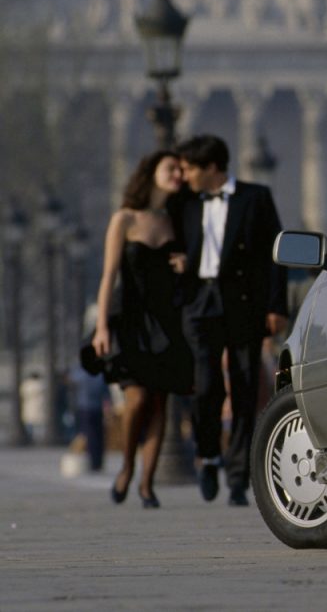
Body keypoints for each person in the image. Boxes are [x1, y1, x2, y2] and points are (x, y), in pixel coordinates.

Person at [175, 134, 287, 506]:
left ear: (211, 168)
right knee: (206, 386)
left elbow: (276, 254)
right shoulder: (184, 204)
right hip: (200, 301)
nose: (183, 175)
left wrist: (276, 306)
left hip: (242, 303)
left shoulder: (255, 198)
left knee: (243, 387)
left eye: (189, 168)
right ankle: (208, 455)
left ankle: (238, 477)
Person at [92, 149, 194, 509]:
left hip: (166, 321)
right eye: (171, 169)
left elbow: (192, 267)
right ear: (150, 172)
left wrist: (185, 263)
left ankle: (147, 485)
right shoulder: (124, 219)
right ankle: (127, 466)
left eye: (181, 171)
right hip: (131, 318)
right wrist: (101, 326)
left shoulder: (176, 220)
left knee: (160, 402)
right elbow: (108, 276)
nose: (178, 176)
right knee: (136, 399)